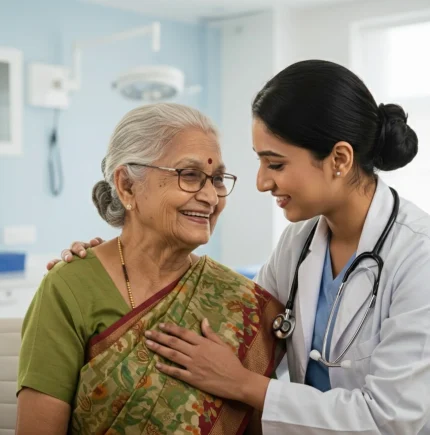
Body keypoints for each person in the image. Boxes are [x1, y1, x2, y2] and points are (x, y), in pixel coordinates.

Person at [56, 60, 430, 434]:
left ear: (339, 159)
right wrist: (107, 265)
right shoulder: (299, 244)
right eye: (259, 162)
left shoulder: (418, 255)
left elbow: (391, 420)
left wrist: (243, 384)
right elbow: (231, 317)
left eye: (276, 164)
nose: (261, 182)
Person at [16, 103, 284, 435]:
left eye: (216, 180)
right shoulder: (69, 289)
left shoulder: (238, 302)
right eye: (189, 175)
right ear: (127, 186)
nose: (211, 197)